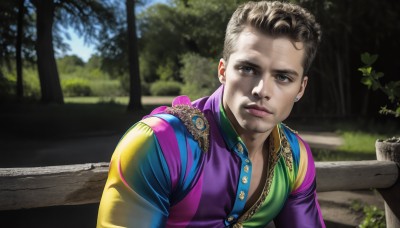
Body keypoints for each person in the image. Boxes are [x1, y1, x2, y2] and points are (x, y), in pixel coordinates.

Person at [97, 1, 324, 227]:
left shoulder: (295, 158)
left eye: (283, 77)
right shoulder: (158, 143)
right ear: (223, 71)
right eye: (248, 69)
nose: (262, 90)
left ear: (301, 88)